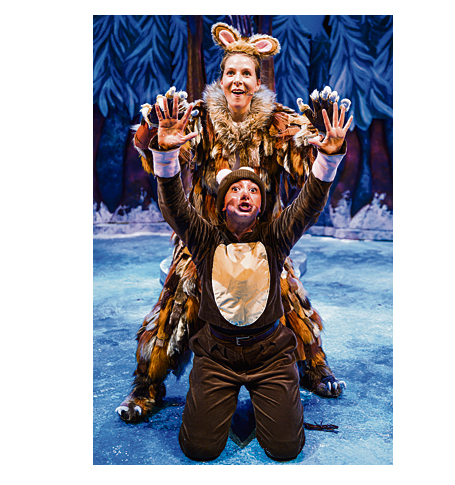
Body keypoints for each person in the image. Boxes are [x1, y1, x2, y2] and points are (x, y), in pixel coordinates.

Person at [117, 22, 348, 430]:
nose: (238, 79)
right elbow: (166, 159)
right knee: (177, 300)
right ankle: (146, 387)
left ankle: (314, 367)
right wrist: (152, 136)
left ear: (257, 82)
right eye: (230, 72)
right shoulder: (201, 119)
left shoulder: (278, 121)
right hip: (205, 237)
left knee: (286, 294)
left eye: (246, 73)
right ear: (221, 79)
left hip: (263, 237)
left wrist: (320, 141)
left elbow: (305, 168)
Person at [146, 85, 352, 460]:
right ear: (222, 203)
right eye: (236, 189)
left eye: (253, 191)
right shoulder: (204, 239)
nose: (245, 193)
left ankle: (273, 400)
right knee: (198, 449)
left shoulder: (275, 237)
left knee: (285, 449)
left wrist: (328, 158)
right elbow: (174, 205)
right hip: (217, 355)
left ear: (260, 206)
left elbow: (309, 203)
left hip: (270, 354)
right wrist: (166, 155)